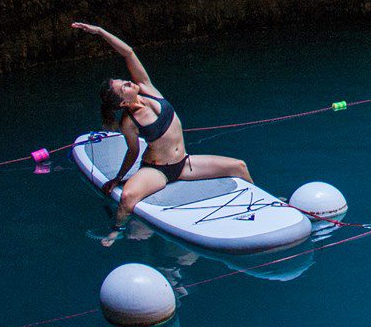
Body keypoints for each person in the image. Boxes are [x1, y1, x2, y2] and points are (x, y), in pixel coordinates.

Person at [73, 22, 253, 244]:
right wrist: (119, 178)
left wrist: (99, 32)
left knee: (239, 166)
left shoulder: (147, 87)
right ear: (121, 102)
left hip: (184, 163)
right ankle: (116, 230)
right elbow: (132, 151)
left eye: (125, 81)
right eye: (124, 87)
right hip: (158, 171)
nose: (129, 82)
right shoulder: (128, 123)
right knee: (128, 198)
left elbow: (128, 52)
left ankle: (258, 205)